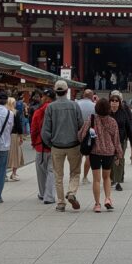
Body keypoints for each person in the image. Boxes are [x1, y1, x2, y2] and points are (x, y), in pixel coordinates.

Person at [41, 79, 83, 211]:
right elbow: (81, 125)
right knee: (75, 172)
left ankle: (60, 203)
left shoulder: (50, 107)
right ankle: (71, 192)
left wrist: (50, 143)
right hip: (73, 145)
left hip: (57, 145)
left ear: (55, 92)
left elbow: (45, 130)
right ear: (66, 91)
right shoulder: (74, 106)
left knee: (58, 175)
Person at [78, 97, 123, 212]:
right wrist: (118, 155)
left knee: (96, 179)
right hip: (109, 152)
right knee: (107, 177)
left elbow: (82, 134)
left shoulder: (92, 119)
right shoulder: (112, 121)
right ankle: (107, 199)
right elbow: (116, 140)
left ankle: (97, 204)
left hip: (95, 152)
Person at [30, 89, 57, 205]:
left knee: (41, 171)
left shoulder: (38, 112)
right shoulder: (56, 111)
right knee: (52, 171)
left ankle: (42, 193)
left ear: (46, 98)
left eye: (42, 97)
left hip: (40, 145)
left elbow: (34, 130)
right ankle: (49, 196)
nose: (41, 98)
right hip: (55, 145)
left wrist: (33, 142)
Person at [109, 91, 132, 191]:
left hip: (121, 140)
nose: (114, 103)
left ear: (119, 103)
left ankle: (118, 181)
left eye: (116, 101)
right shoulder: (107, 113)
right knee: (111, 160)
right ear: (110, 102)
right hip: (109, 142)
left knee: (120, 160)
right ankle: (112, 178)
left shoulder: (123, 113)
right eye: (112, 101)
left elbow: (128, 127)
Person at [6, 96, 24, 181]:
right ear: (13, 103)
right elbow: (19, 126)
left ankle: (4, 174)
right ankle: (13, 174)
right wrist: (21, 136)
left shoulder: (5, 112)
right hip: (14, 135)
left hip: (5, 135)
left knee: (6, 155)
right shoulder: (15, 112)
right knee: (16, 154)